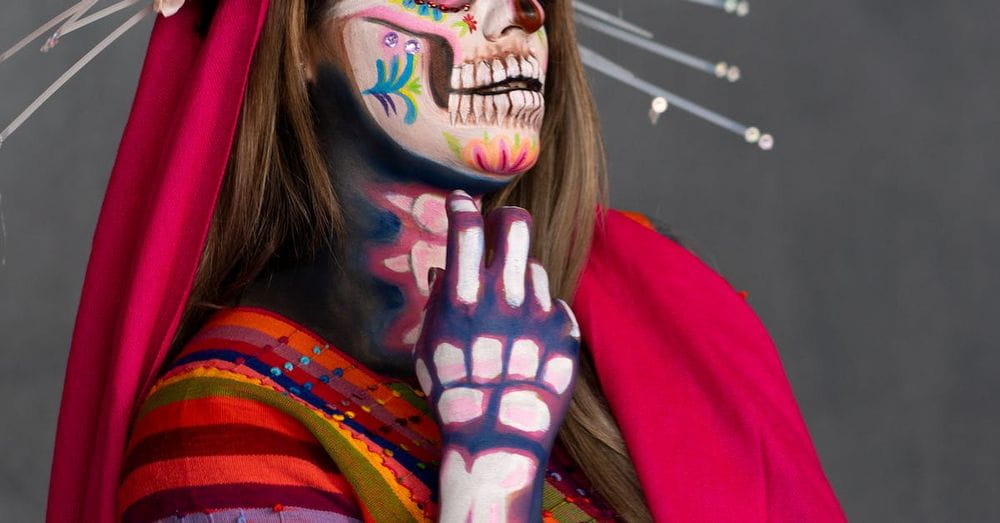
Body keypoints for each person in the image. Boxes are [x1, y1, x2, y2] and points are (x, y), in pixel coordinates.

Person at [46, 0, 846, 521]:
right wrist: (491, 469)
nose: (515, 18)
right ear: (292, 37)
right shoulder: (211, 435)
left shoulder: (653, 303)